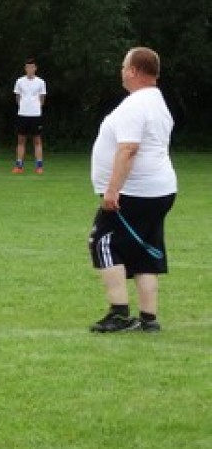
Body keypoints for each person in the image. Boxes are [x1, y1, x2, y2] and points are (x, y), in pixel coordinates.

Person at [87, 47, 176, 333]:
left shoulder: (136, 105)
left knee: (103, 241)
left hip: (136, 192)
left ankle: (119, 314)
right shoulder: (158, 102)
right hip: (160, 189)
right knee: (145, 251)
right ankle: (148, 319)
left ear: (134, 70)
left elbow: (128, 148)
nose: (121, 71)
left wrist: (112, 190)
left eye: (124, 66)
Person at [13, 59, 47, 174]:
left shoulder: (41, 82)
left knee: (37, 140)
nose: (30, 69)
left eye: (32, 67)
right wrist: (24, 107)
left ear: (35, 68)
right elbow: (17, 97)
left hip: (36, 115)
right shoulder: (20, 81)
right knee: (21, 140)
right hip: (22, 114)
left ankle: (39, 166)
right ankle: (19, 166)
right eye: (28, 67)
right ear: (25, 68)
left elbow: (42, 98)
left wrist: (36, 108)